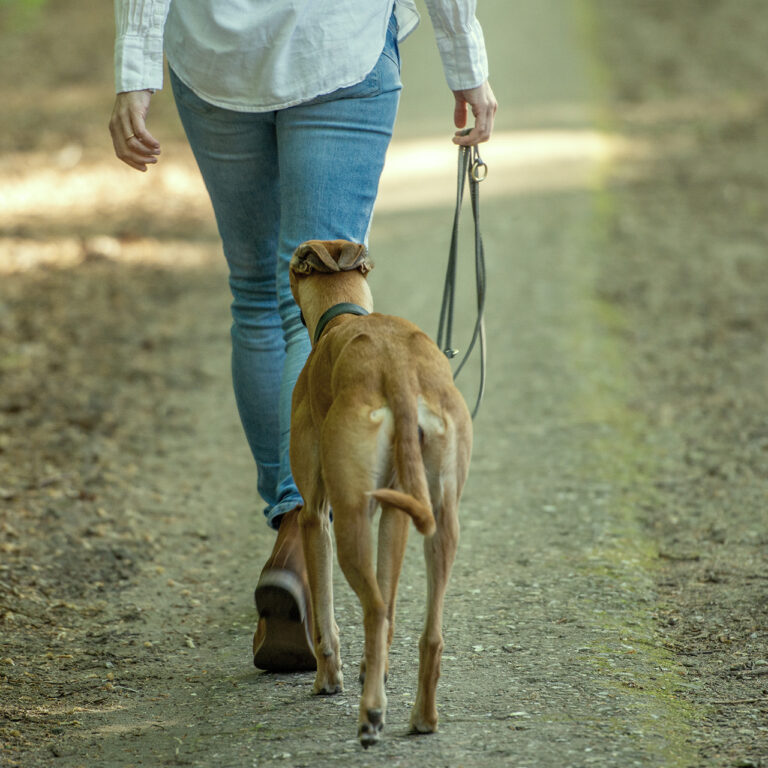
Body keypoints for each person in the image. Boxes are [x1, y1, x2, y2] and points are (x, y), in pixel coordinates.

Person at [109, 0, 497, 673]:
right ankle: (304, 531)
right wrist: (465, 57)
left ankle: (295, 528)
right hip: (336, 41)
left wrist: (135, 69)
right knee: (315, 311)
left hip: (217, 53)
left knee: (259, 293)